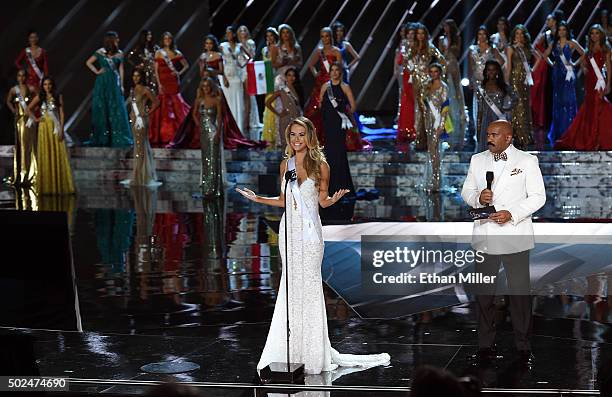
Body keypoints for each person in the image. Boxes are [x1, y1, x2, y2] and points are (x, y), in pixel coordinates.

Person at [236, 116, 390, 374]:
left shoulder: (321, 166)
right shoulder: (285, 165)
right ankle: (291, 350)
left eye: (301, 134)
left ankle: (313, 352)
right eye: (293, 135)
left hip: (310, 235)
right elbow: (284, 200)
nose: (296, 139)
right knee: (291, 288)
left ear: (309, 137)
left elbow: (322, 202)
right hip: (289, 232)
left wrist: (334, 199)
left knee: (309, 287)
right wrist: (258, 198)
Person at [461, 120, 546, 365]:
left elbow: (538, 196)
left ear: (508, 137)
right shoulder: (478, 160)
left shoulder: (527, 161)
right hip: (485, 235)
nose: (489, 138)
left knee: (519, 295)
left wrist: (513, 213)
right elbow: (466, 191)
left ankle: (523, 346)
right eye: (488, 134)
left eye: (494, 134)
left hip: (514, 234)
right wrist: (478, 196)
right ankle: (485, 345)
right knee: (485, 295)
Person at [555, 24, 612, 150]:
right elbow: (584, 62)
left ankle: (597, 139)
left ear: (601, 34)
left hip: (600, 82)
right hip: (590, 82)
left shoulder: (606, 48)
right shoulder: (589, 50)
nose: (594, 35)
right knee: (591, 109)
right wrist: (583, 67)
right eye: (592, 33)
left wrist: (608, 84)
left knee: (599, 107)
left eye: (597, 33)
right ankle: (592, 138)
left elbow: (609, 67)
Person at [27, 76, 75, 195]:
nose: (47, 87)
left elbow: (62, 113)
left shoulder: (58, 96)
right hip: (44, 129)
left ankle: (59, 185)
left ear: (52, 85)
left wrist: (62, 130)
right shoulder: (40, 97)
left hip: (55, 128)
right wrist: (36, 119)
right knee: (46, 153)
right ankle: (47, 186)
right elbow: (28, 109)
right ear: (42, 86)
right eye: (45, 84)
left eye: (49, 84)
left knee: (58, 153)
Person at [85, 31, 133, 147]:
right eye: (117, 38)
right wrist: (96, 71)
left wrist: (121, 85)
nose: (119, 40)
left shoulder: (120, 53)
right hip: (102, 82)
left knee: (115, 107)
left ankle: (116, 135)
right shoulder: (100, 52)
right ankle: (103, 136)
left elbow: (121, 69)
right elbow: (88, 62)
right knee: (103, 106)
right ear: (112, 40)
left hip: (114, 82)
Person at [542, 21, 584, 144]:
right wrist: (552, 63)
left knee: (569, 102)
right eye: (559, 30)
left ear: (567, 31)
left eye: (563, 30)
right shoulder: (554, 43)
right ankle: (559, 133)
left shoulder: (572, 43)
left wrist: (575, 64)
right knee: (558, 103)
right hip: (557, 75)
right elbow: (545, 55)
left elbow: (584, 53)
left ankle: (569, 132)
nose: (561, 32)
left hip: (568, 74)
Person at [319, 63, 356, 195]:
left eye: (337, 70)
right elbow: (320, 103)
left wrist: (345, 114)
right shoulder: (325, 86)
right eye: (332, 70)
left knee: (339, 153)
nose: (334, 73)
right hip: (328, 124)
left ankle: (342, 185)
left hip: (339, 125)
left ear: (340, 72)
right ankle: (329, 185)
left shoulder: (345, 87)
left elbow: (353, 106)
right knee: (329, 153)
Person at [149, 32, 190, 147]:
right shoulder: (159, 53)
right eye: (165, 38)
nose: (167, 40)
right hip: (163, 81)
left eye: (169, 38)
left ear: (172, 40)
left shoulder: (176, 53)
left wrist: (178, 73)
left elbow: (186, 65)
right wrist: (159, 84)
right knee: (163, 105)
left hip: (173, 82)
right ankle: (163, 133)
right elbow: (156, 70)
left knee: (175, 105)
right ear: (163, 40)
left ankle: (176, 132)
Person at [122, 70, 160, 187]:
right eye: (134, 75)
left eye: (138, 76)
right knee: (138, 146)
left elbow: (157, 102)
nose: (135, 78)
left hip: (141, 120)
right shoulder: (133, 90)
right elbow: (129, 103)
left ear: (142, 77)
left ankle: (142, 176)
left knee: (140, 146)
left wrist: (146, 113)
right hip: (134, 119)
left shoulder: (145, 90)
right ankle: (140, 174)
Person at [304, 27, 342, 145]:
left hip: (333, 82)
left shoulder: (336, 51)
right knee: (315, 110)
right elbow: (311, 65)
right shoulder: (319, 51)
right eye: (322, 36)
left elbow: (340, 69)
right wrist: (316, 74)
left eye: (327, 36)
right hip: (320, 84)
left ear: (331, 37)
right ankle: (315, 137)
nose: (325, 38)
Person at [468, 26, 505, 148]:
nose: (482, 36)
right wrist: (470, 80)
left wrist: (495, 74)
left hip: (489, 84)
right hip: (477, 84)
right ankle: (479, 138)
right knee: (477, 111)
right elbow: (471, 67)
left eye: (484, 34)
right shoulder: (472, 49)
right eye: (479, 34)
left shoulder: (492, 49)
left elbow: (502, 61)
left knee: (489, 111)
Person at [411, 23, 445, 151]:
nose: (420, 36)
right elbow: (407, 64)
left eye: (422, 33)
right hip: (415, 82)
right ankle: (419, 139)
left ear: (425, 35)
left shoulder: (430, 47)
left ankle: (428, 139)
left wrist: (434, 73)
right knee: (418, 111)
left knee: (426, 110)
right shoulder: (412, 47)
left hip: (426, 83)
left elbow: (442, 61)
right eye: (418, 33)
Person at [505, 25, 540, 150]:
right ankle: (518, 136)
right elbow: (508, 67)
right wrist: (505, 83)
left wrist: (531, 71)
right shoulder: (511, 48)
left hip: (525, 82)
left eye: (521, 34)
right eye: (517, 34)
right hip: (514, 80)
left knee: (525, 107)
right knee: (517, 107)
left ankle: (525, 136)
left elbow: (539, 57)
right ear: (514, 36)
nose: (519, 36)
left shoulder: (528, 48)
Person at [439, 19, 467, 150]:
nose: (445, 28)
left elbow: (456, 53)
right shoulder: (441, 39)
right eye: (444, 26)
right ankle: (447, 115)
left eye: (447, 26)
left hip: (454, 65)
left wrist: (450, 39)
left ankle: (458, 114)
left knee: (455, 91)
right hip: (445, 65)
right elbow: (441, 54)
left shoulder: (457, 39)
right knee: (446, 91)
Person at [5, 69, 37, 186]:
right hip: (19, 120)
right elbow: (8, 101)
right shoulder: (14, 90)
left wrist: (33, 114)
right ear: (17, 77)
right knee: (21, 146)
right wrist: (14, 111)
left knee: (30, 144)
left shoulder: (32, 89)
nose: (21, 78)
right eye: (19, 75)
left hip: (29, 120)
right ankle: (21, 174)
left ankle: (32, 174)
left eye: (23, 76)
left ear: (26, 77)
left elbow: (39, 101)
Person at [421, 63, 450, 192]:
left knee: (434, 150)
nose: (433, 74)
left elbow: (445, 106)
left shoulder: (444, 87)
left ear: (440, 72)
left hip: (438, 122)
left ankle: (436, 179)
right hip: (428, 120)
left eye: (436, 71)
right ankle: (433, 179)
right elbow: (423, 102)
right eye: (431, 71)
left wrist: (442, 124)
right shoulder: (427, 86)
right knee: (431, 150)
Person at [193, 78, 223, 197]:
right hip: (203, 133)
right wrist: (198, 125)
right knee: (205, 158)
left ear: (211, 87)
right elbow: (194, 114)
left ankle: (213, 188)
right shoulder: (199, 100)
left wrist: (218, 133)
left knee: (213, 158)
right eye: (204, 86)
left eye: (208, 86)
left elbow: (220, 118)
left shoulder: (217, 100)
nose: (206, 88)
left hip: (213, 131)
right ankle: (206, 187)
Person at [476, 60, 514, 152]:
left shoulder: (503, 87)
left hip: (499, 120)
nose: (491, 72)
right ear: (486, 72)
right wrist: (478, 126)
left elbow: (514, 100)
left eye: (493, 70)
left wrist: (507, 113)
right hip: (486, 121)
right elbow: (480, 109)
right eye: (489, 70)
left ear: (497, 71)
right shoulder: (482, 88)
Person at [265, 67, 303, 148]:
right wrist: (278, 114)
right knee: (286, 146)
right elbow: (268, 103)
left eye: (293, 75)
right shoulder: (282, 90)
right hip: (286, 119)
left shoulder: (298, 89)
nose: (291, 77)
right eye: (289, 75)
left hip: (296, 119)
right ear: (285, 77)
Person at [237, 25, 263, 137]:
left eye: (244, 30)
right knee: (241, 96)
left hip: (247, 70)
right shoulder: (237, 45)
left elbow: (251, 56)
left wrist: (243, 48)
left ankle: (248, 121)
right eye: (240, 30)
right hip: (238, 70)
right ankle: (241, 119)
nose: (242, 32)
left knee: (248, 96)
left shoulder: (250, 42)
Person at [395, 23, 416, 151]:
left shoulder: (419, 46)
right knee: (406, 102)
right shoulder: (404, 45)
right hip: (407, 76)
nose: (411, 35)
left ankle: (416, 130)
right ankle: (406, 130)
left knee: (416, 104)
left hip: (416, 76)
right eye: (409, 33)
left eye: (413, 33)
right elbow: (399, 61)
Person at [261, 27, 280, 146]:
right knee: (268, 103)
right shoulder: (264, 50)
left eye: (271, 35)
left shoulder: (277, 47)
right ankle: (269, 132)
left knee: (275, 103)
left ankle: (276, 132)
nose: (269, 38)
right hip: (267, 79)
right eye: (267, 36)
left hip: (276, 77)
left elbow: (274, 63)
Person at [128, 30, 159, 94]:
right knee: (145, 88)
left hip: (154, 71)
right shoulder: (139, 48)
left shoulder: (155, 47)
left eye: (150, 35)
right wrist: (137, 65)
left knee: (154, 89)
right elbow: (129, 57)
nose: (150, 36)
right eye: (148, 35)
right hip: (144, 72)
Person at [275, 24, 303, 89]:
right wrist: (283, 63)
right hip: (280, 77)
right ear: (280, 34)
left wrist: (292, 62)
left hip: (293, 78)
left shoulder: (296, 47)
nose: (285, 34)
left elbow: (300, 64)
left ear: (291, 34)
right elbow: (273, 65)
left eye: (287, 32)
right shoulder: (277, 48)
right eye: (283, 32)